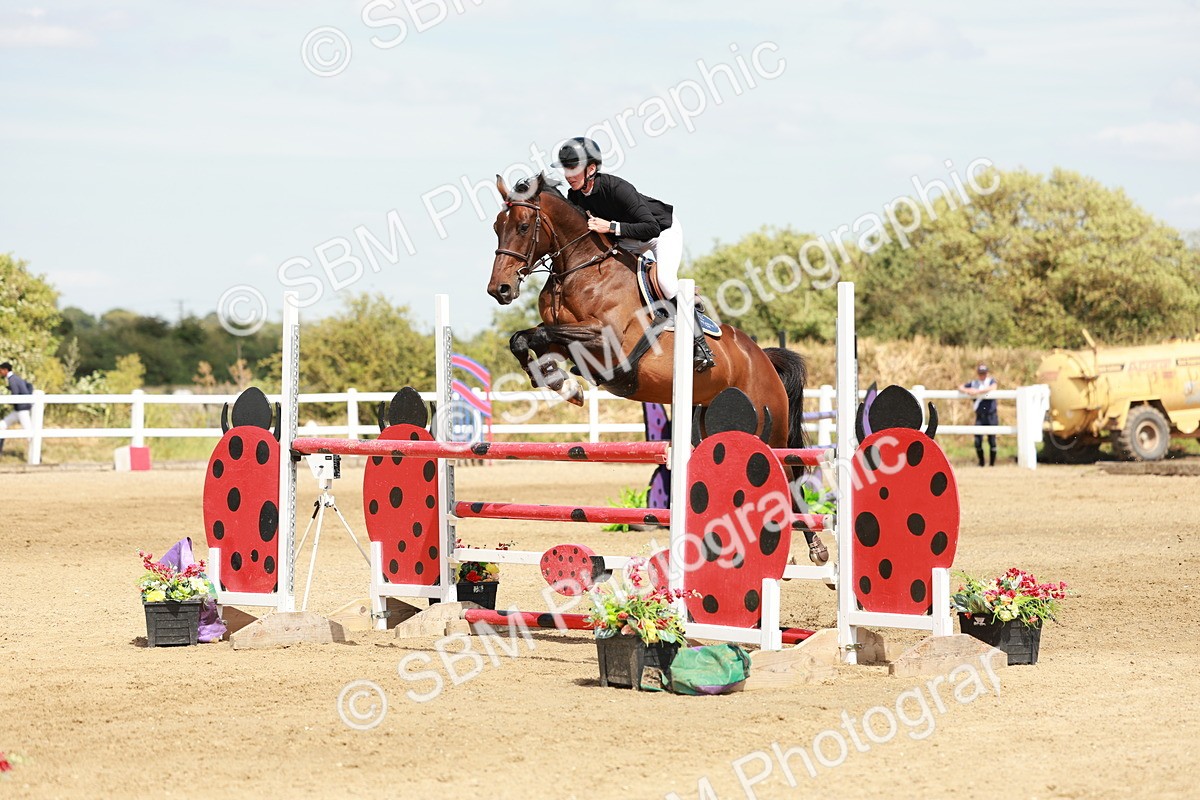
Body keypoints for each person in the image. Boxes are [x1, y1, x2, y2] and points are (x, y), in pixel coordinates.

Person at [550, 136, 717, 372]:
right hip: (627, 240)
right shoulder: (574, 196)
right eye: (566, 168)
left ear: (591, 169)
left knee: (666, 282)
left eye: (573, 168)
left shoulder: (617, 188)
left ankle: (701, 345)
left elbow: (650, 227)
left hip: (660, 233)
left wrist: (611, 227)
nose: (568, 174)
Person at [958, 363, 999, 466]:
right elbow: (960, 387)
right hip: (980, 415)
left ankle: (992, 464)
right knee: (977, 440)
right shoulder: (974, 383)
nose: (982, 375)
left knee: (992, 440)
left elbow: (993, 387)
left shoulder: (990, 381)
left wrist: (978, 392)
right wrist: (969, 390)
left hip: (991, 415)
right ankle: (981, 462)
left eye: (984, 373)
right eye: (981, 373)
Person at [0, 362, 34, 455]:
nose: (0, 373)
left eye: (1, 370)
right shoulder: (16, 378)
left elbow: (15, 394)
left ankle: (36, 455)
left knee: (29, 434)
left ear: (6, 370)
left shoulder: (12, 379)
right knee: (2, 425)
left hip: (22, 410)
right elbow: (29, 386)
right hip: (18, 410)